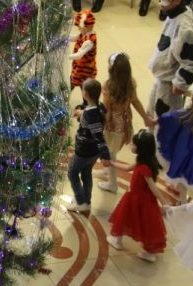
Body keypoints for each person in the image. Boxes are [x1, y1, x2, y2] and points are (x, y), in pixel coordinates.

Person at [107, 130, 167, 261]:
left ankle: (117, 240)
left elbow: (153, 187)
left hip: (136, 198)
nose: (131, 146)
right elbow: (128, 168)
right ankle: (148, 252)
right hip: (141, 199)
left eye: (134, 144)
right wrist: (112, 163)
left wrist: (164, 202)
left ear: (141, 148)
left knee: (124, 218)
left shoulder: (144, 167)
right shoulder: (144, 161)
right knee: (144, 224)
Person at [97, 52, 154, 192]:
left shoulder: (108, 86)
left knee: (110, 153)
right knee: (113, 150)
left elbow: (106, 110)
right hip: (124, 123)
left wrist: (99, 127)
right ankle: (108, 171)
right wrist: (146, 118)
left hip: (111, 126)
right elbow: (135, 101)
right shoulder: (131, 83)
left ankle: (112, 184)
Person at [147, 0, 193, 117]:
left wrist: (180, 83)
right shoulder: (174, 13)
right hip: (162, 76)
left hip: (170, 83)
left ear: (177, 0)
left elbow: (192, 62)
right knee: (151, 110)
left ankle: (159, 138)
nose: (161, 2)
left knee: (164, 120)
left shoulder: (185, 28)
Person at [157, 82, 193, 203]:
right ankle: (182, 202)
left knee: (179, 180)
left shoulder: (184, 116)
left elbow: (168, 120)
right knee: (184, 180)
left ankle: (181, 202)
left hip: (181, 155)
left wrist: (160, 116)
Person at [65, 78, 112, 214]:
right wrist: (81, 111)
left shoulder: (89, 114)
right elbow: (89, 113)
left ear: (85, 93)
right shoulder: (100, 107)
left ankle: (81, 202)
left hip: (84, 151)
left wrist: (105, 154)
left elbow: (98, 134)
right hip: (93, 152)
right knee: (86, 173)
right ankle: (87, 201)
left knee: (72, 173)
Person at [68, 10, 97, 91]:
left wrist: (67, 57)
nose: (78, 29)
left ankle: (65, 97)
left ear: (88, 27)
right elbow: (74, 38)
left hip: (85, 69)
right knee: (79, 84)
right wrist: (64, 37)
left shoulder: (89, 41)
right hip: (79, 66)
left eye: (80, 27)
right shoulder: (84, 34)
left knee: (83, 86)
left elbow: (79, 55)